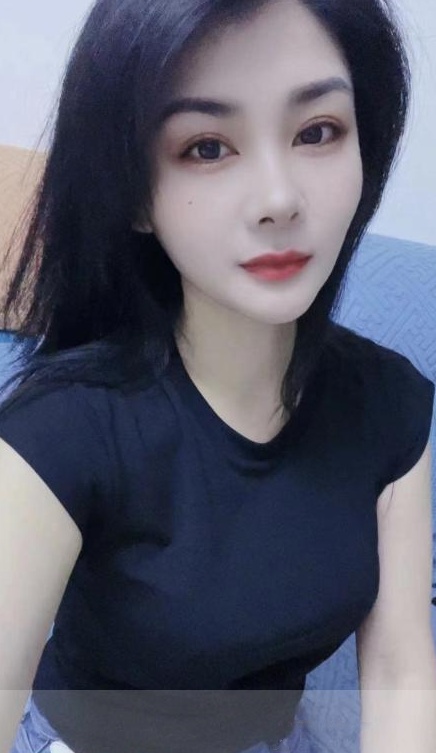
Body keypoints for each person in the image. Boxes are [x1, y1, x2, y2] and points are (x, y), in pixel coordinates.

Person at [0, 0, 435, 751]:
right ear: (135, 194)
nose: (278, 200)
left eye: (317, 132)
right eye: (207, 147)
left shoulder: (389, 403)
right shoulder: (61, 430)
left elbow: (401, 668)